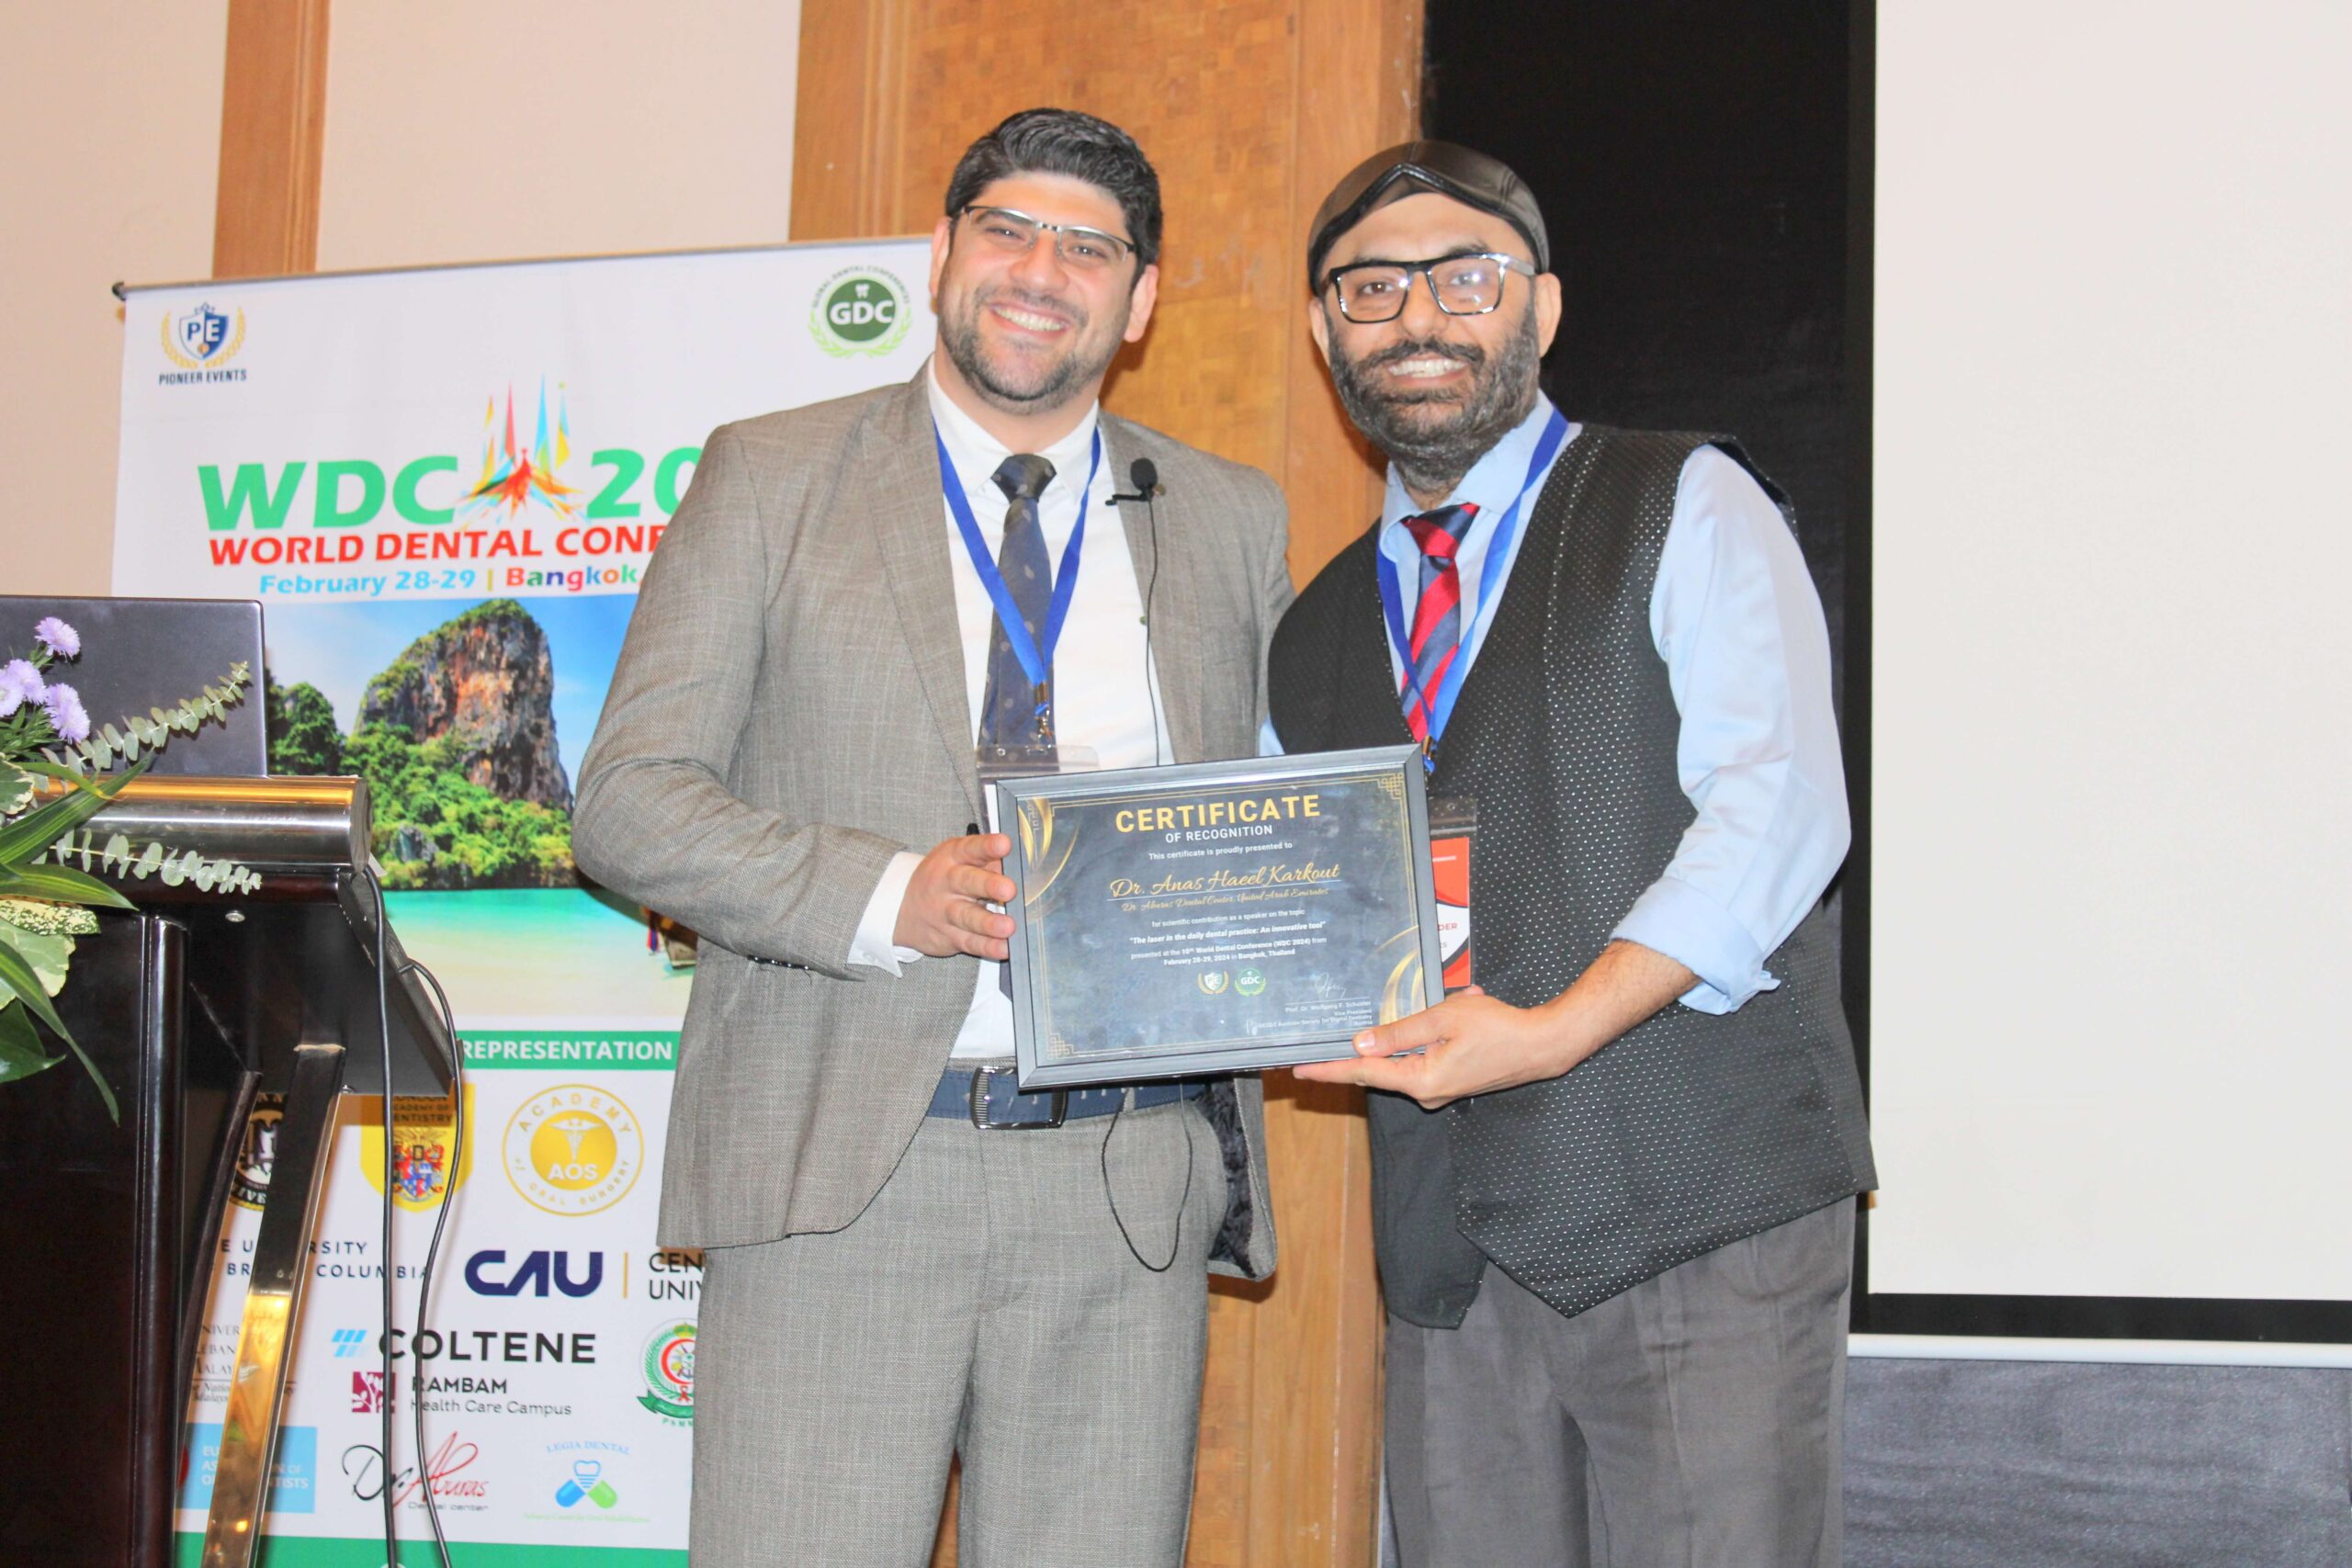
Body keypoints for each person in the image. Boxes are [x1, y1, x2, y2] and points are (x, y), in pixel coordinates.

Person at [573, 108, 1288, 1568]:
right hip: (848, 1168)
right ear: (942, 256)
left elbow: (1278, 822)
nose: (1042, 272)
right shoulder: (773, 475)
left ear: (1141, 299)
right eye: (1008, 231)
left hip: (1126, 1189)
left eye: (1089, 249)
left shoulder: (1228, 516)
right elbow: (629, 798)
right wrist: (885, 893)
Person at [1269, 141, 1875, 1567]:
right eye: (1372, 287)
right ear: (1324, 331)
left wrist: (1552, 1031)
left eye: (1464, 278)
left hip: (1700, 1215)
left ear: (1540, 306)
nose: (1419, 315)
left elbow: (1780, 806)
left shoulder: (1685, 500)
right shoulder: (1310, 630)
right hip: (1451, 1256)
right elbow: (1287, 906)